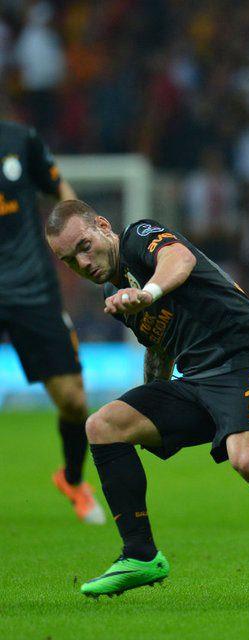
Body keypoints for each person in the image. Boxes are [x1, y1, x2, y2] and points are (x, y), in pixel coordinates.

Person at [44, 200, 249, 599]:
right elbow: (159, 347)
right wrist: (150, 400)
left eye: (84, 246)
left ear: (102, 226)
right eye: (69, 260)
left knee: (248, 458)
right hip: (199, 381)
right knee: (103, 426)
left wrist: (148, 293)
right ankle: (140, 554)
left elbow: (180, 259)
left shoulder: (138, 238)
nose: (82, 263)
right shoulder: (114, 291)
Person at [0, 119, 105, 525]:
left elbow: (61, 190)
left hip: (32, 290)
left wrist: (83, 240)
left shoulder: (19, 141)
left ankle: (73, 480)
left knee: (74, 400)